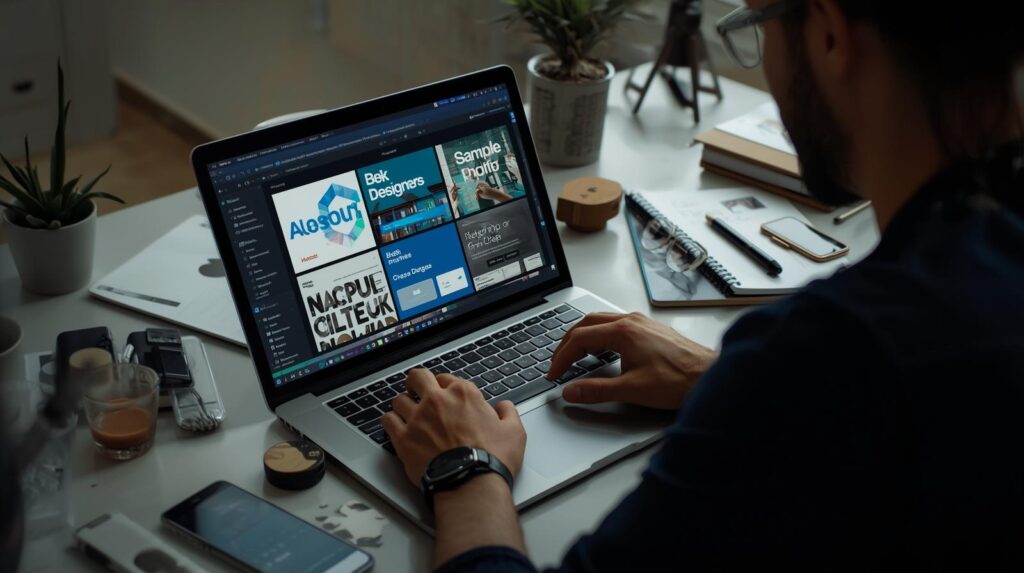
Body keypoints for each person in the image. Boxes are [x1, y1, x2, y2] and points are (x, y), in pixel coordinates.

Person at [381, 0, 1024, 569]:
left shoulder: (835, 354)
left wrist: (463, 467)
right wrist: (720, 377)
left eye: (758, 24)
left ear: (829, 33)